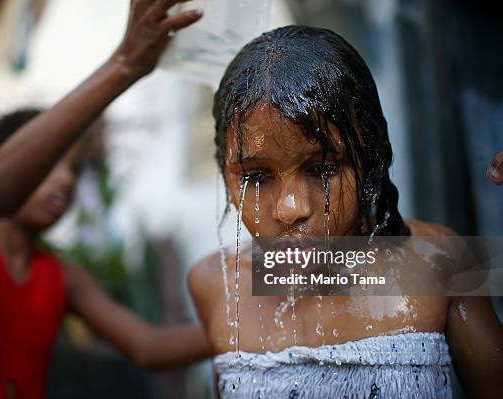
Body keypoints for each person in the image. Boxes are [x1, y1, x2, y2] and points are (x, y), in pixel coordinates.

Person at [0, 1, 211, 398]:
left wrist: (255, 327)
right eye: (50, 164)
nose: (65, 180)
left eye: (75, 169)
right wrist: (124, 65)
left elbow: (148, 346)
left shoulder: (62, 278)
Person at [188, 26, 503, 398]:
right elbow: (146, 348)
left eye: (321, 169)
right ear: (224, 172)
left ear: (368, 157)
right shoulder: (216, 284)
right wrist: (124, 66)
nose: (291, 209)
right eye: (256, 176)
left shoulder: (440, 263)